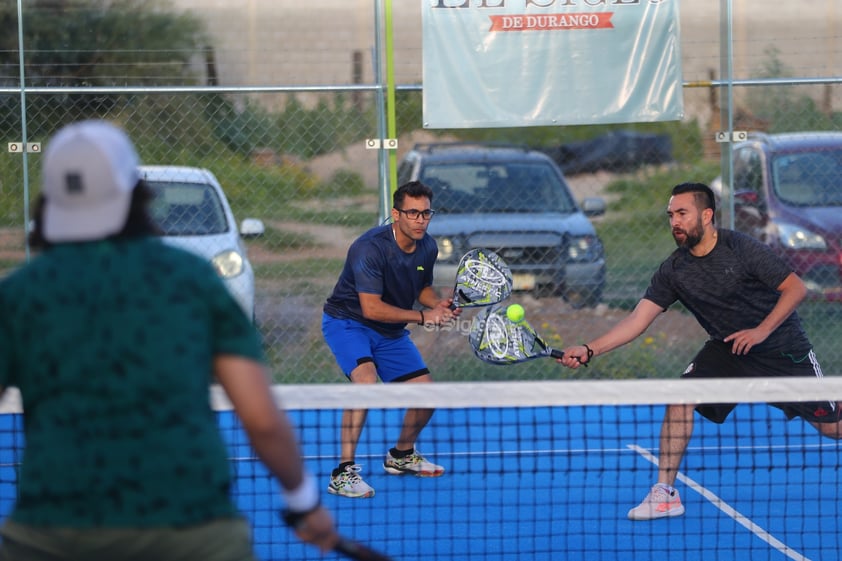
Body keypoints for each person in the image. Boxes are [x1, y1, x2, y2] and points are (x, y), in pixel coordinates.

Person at [0, 120, 339, 560]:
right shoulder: (192, 279)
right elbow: (261, 418)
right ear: (136, 196)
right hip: (195, 532)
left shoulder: (19, 294)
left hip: (50, 535)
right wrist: (304, 503)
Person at [557, 181, 842, 521]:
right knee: (681, 396)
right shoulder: (674, 270)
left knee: (832, 428)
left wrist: (762, 330)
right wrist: (590, 349)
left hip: (782, 351)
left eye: (682, 213)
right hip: (728, 351)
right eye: (670, 215)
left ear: (706, 215)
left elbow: (794, 288)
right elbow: (638, 319)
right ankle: (665, 494)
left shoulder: (741, 248)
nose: (674, 222)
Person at [322, 180, 460, 498]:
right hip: (348, 323)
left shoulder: (428, 246)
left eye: (426, 213)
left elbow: (420, 288)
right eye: (413, 213)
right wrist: (424, 317)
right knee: (366, 384)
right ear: (396, 214)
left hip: (390, 332)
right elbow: (371, 308)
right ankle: (343, 474)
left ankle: (401, 456)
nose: (420, 220)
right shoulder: (369, 248)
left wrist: (436, 303)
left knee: (427, 396)